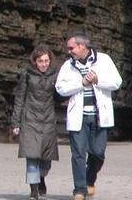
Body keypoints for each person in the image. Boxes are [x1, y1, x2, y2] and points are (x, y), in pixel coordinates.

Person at [55, 31, 122, 200]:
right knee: (78, 154)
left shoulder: (104, 60)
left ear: (82, 46)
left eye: (72, 48)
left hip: (100, 116)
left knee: (98, 153)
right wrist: (81, 83)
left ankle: (90, 179)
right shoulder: (67, 65)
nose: (69, 51)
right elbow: (60, 88)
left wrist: (98, 80)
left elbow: (117, 82)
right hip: (78, 117)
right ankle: (79, 190)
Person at [11, 44, 59, 200]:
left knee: (46, 160)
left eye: (46, 61)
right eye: (40, 61)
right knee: (31, 157)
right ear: (35, 62)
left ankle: (42, 178)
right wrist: (16, 123)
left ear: (50, 61)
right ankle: (33, 192)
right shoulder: (27, 74)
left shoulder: (56, 75)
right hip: (30, 119)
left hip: (48, 121)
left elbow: (62, 96)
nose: (44, 64)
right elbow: (19, 98)